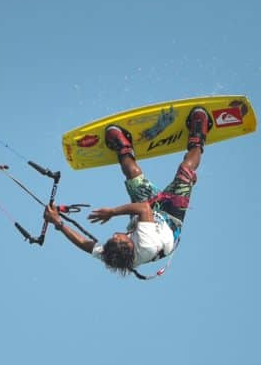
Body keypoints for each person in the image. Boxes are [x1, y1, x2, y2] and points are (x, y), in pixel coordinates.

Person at [43, 106, 213, 276]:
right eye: (119, 237)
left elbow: (85, 245)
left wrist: (58, 223)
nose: (116, 234)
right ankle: (199, 134)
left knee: (133, 175)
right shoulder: (146, 245)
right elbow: (143, 208)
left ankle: (123, 146)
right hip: (170, 218)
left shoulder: (112, 253)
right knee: (185, 170)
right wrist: (112, 212)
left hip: (146, 216)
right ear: (129, 245)